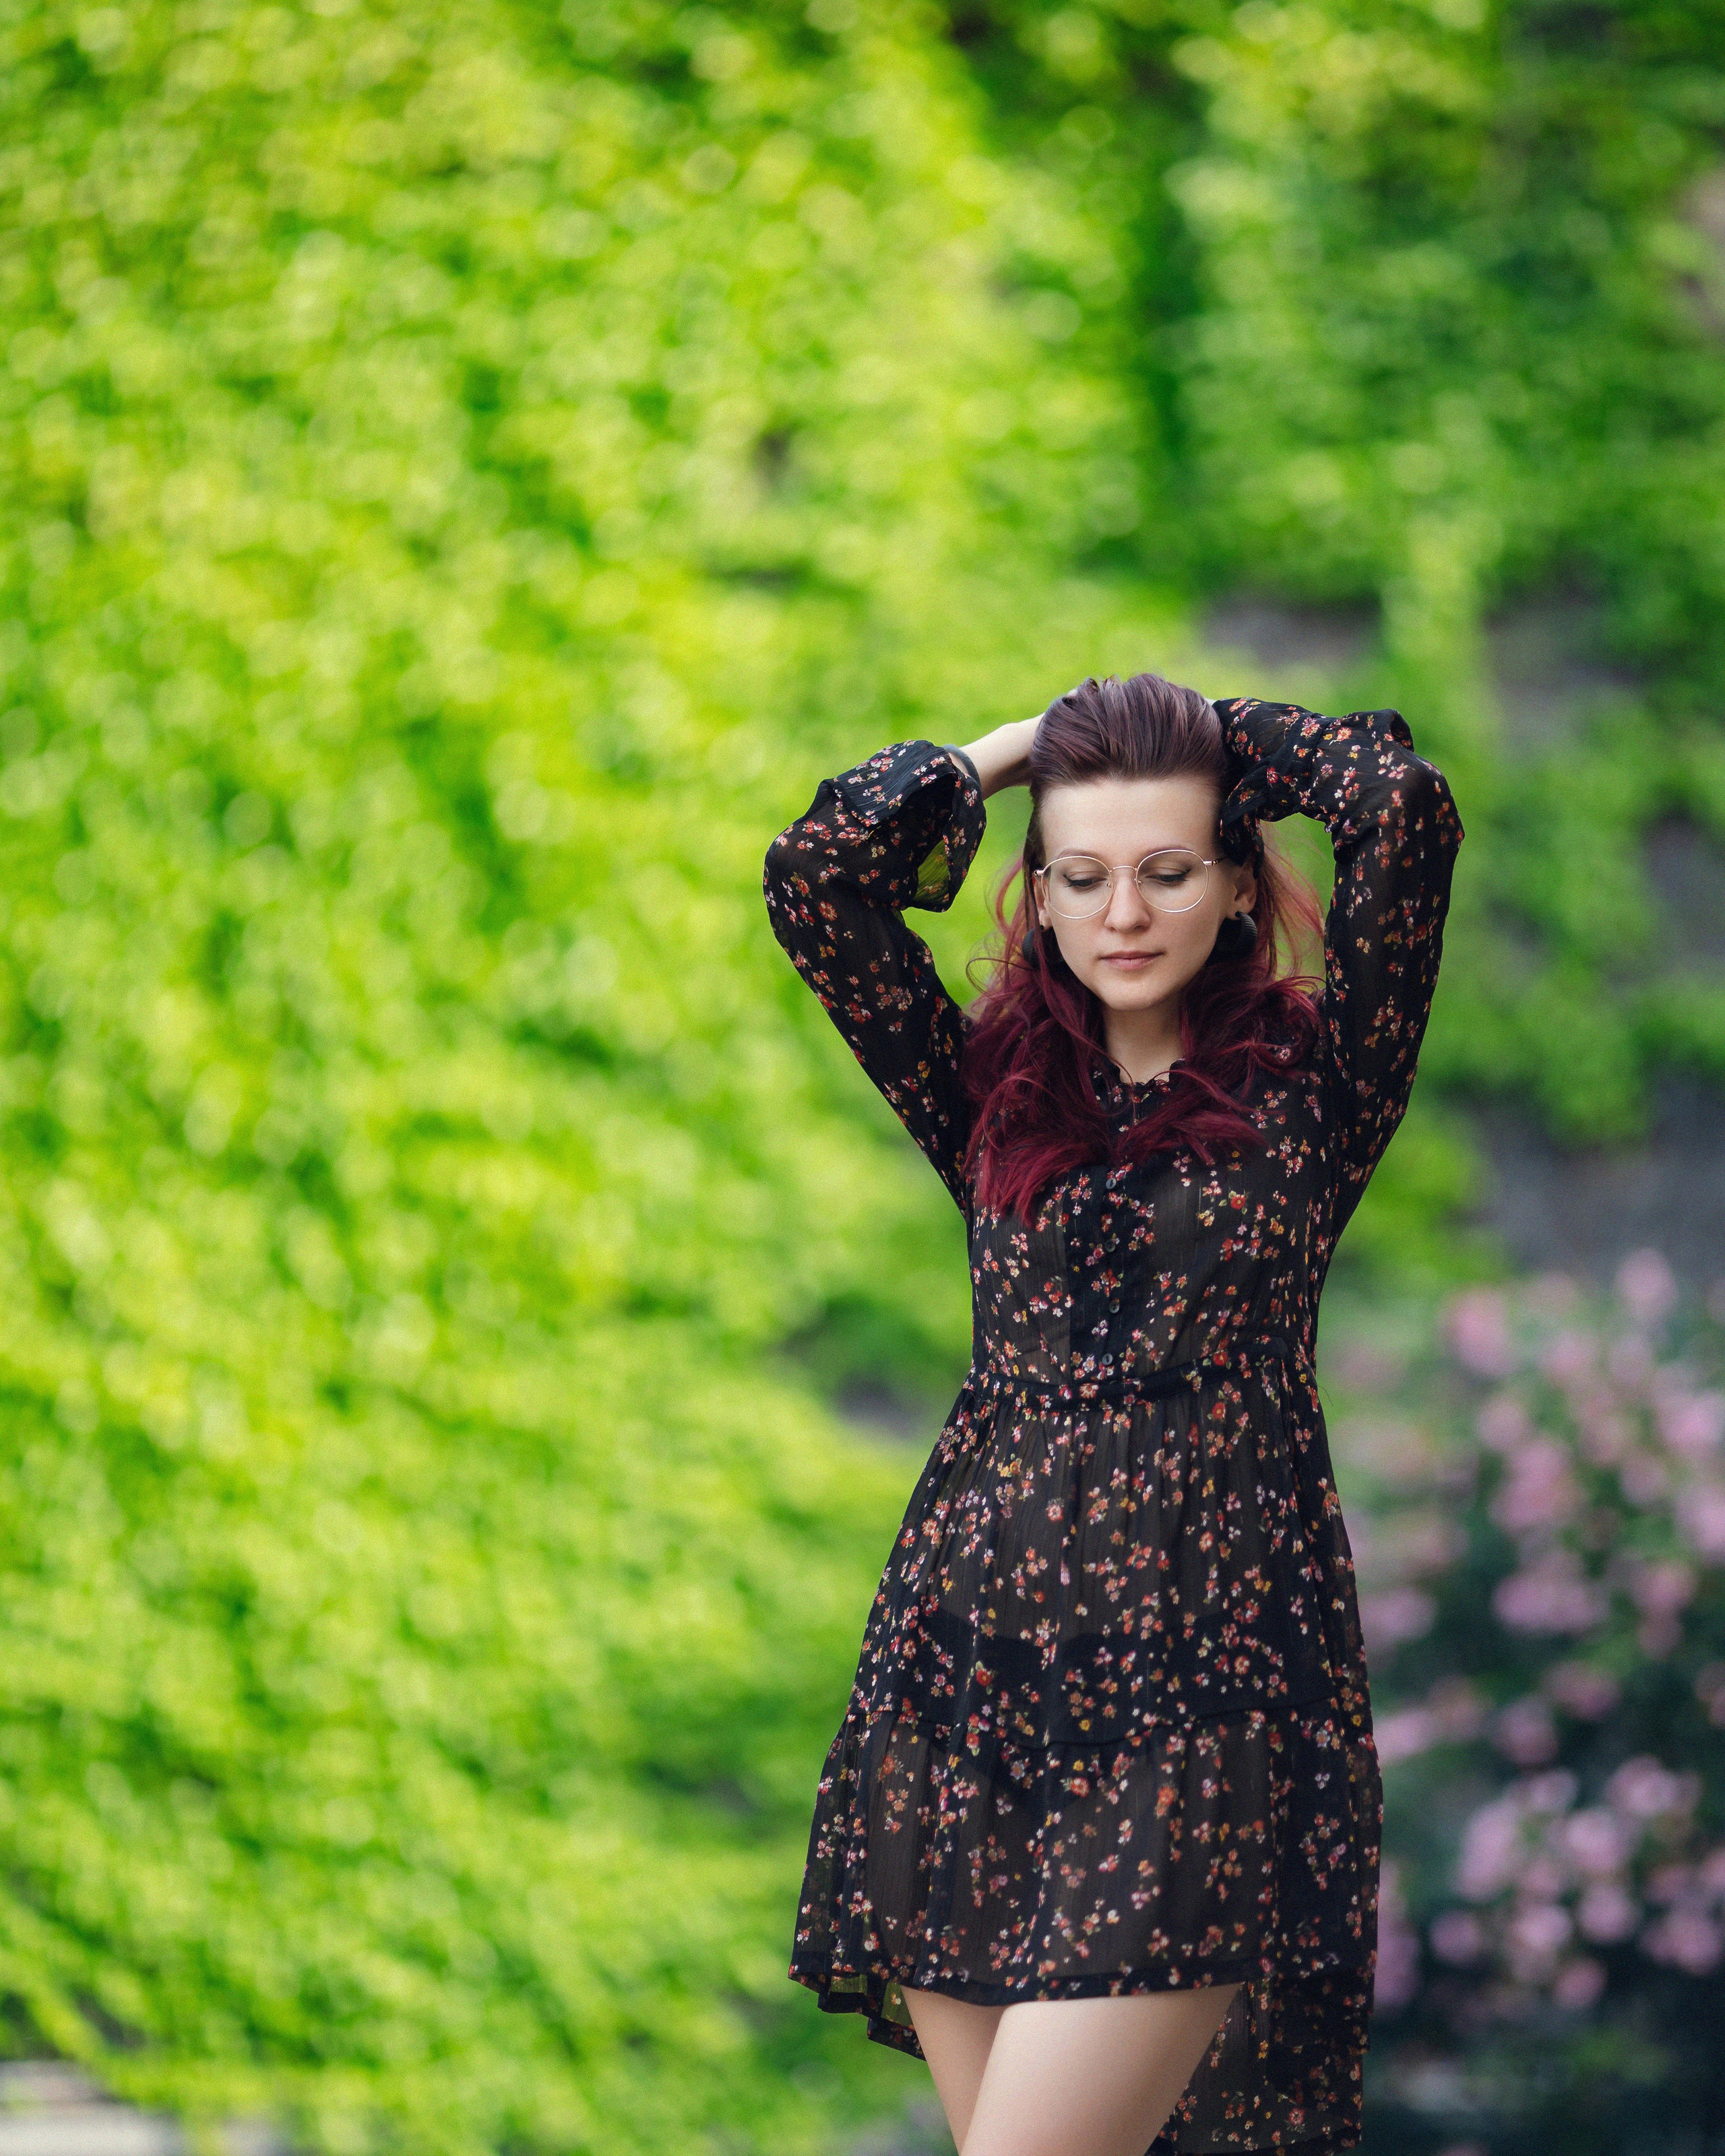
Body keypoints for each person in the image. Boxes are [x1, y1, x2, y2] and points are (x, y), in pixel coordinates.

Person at [761, 673, 1462, 2156]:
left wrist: (1212, 730)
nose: (1121, 911)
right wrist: (1026, 747)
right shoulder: (987, 1091)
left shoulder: (1316, 1090)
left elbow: (1397, 813)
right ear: (1039, 891)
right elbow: (818, 879)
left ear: (1228, 883)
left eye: (1163, 870)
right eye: (1078, 876)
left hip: (1202, 1720)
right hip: (960, 1696)